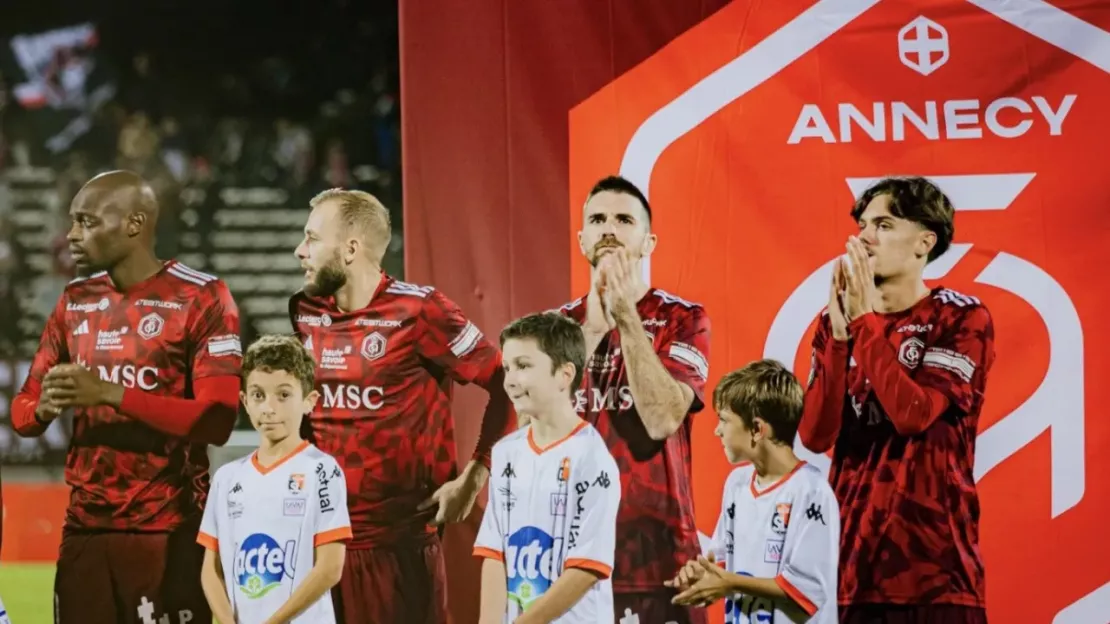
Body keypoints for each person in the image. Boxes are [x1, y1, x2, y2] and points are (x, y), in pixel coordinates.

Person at [9, 170, 242, 624]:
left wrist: (110, 393)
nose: (71, 235)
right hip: (85, 532)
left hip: (168, 530)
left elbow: (217, 420)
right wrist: (40, 409)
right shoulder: (76, 300)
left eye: (87, 222)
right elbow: (22, 411)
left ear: (134, 224)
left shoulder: (201, 297)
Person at [289, 188, 513, 623]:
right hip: (319, 538)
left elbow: (505, 383)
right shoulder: (305, 310)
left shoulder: (420, 310)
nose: (301, 251)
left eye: (312, 238)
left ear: (351, 248)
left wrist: (474, 475)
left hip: (399, 542)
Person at [798, 176, 996, 623]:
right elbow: (815, 435)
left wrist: (865, 321)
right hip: (848, 573)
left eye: (883, 225)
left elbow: (913, 414)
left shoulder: (960, 316)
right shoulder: (836, 322)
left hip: (936, 579)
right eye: (863, 225)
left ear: (924, 242)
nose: (864, 237)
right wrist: (839, 337)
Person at [557, 175, 711, 624]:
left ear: (648, 242)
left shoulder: (683, 319)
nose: (609, 228)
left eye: (624, 219)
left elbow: (662, 419)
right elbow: (535, 434)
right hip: (570, 554)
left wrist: (624, 315)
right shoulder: (553, 328)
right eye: (598, 219)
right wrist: (590, 330)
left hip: (657, 560)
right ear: (582, 237)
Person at [475, 312, 621, 624]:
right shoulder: (505, 453)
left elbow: (585, 568)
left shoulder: (592, 458)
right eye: (507, 368)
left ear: (564, 375)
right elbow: (493, 552)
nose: (510, 379)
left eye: (524, 366)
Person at [666, 359, 839, 623]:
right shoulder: (737, 484)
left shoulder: (812, 491)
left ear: (757, 429)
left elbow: (808, 591)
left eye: (724, 419)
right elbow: (722, 561)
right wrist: (702, 574)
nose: (717, 430)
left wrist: (728, 583)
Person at [198, 334, 351, 624]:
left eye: (283, 395)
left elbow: (330, 568)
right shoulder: (227, 478)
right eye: (258, 395)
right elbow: (211, 569)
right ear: (244, 400)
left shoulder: (323, 470)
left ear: (309, 401)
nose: (269, 408)